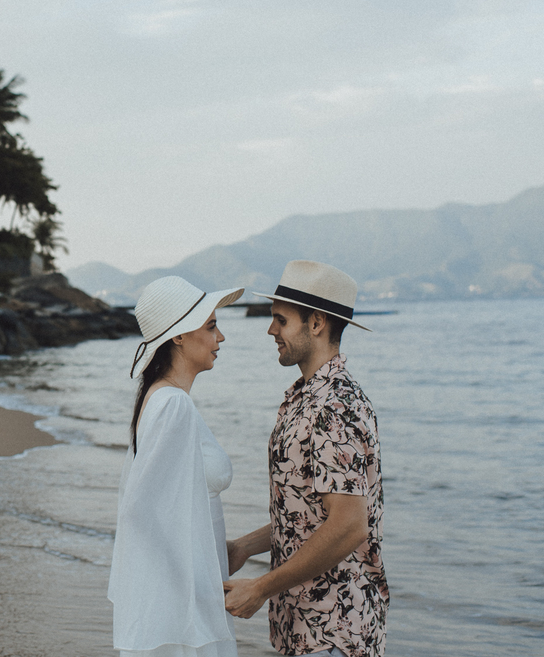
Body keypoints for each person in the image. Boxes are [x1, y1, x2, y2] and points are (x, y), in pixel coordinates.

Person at [222, 261, 388, 657]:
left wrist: (260, 588)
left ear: (316, 323)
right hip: (302, 625)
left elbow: (349, 527)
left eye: (280, 319)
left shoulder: (335, 406)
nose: (270, 330)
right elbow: (307, 514)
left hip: (336, 632)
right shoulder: (305, 397)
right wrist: (245, 547)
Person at [108, 276, 245, 657]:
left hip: (181, 601)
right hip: (182, 609)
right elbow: (139, 510)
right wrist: (199, 585)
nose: (220, 338)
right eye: (212, 326)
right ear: (180, 336)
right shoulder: (173, 405)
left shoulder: (161, 399)